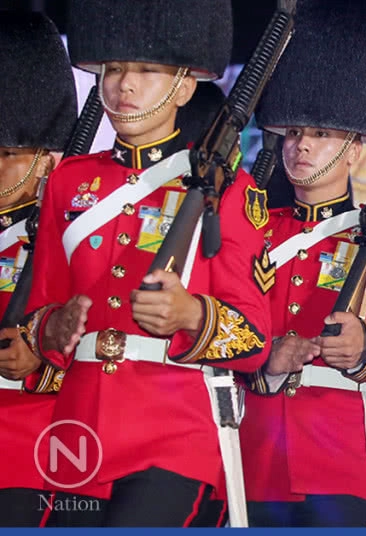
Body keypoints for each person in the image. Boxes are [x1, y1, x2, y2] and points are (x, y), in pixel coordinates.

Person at [22, 0, 270, 527]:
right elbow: (38, 307)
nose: (122, 85)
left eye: (145, 70)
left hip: (173, 432)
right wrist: (51, 327)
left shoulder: (228, 189)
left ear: (183, 87)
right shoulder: (68, 182)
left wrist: (193, 317)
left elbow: (254, 340)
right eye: (112, 69)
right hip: (78, 428)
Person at [238, 0, 366, 527]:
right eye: (295, 132)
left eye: (320, 134)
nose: (301, 146)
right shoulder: (252, 227)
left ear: (354, 150)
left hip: (343, 459)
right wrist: (265, 358)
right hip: (252, 455)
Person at [0, 10, 79, 528]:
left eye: (6, 152)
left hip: (30, 445)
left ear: (45, 158)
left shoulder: (69, 234)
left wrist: (41, 360)